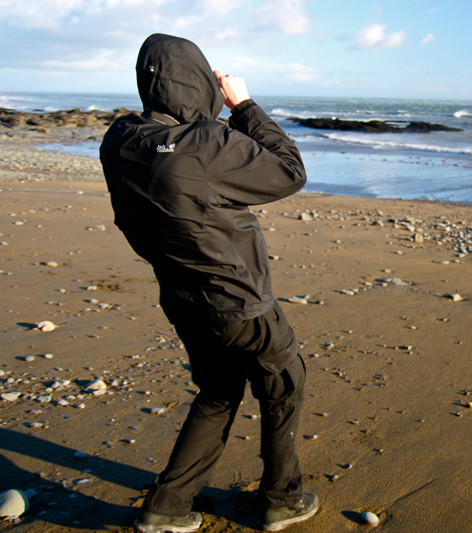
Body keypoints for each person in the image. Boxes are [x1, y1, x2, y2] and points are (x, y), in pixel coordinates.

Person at [99, 33, 318, 533]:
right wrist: (243, 106)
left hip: (182, 298)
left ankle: (168, 506)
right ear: (198, 81)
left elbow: (174, 150)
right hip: (238, 299)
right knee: (284, 382)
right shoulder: (205, 143)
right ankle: (281, 499)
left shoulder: (120, 141)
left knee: (219, 391)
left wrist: (210, 117)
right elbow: (289, 172)